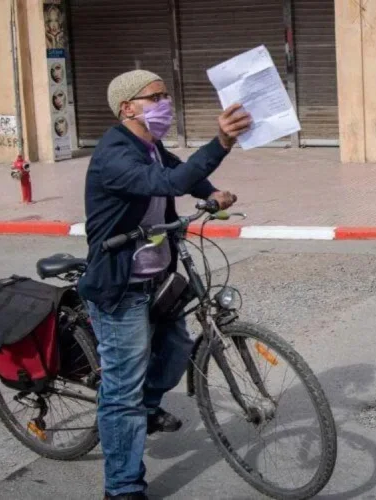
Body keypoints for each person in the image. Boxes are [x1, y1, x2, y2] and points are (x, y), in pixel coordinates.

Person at [77, 69, 251, 499]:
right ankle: (122, 486)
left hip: (156, 276)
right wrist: (222, 143)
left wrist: (213, 192)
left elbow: (183, 174)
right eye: (154, 97)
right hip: (120, 286)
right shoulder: (114, 153)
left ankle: (148, 408)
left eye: (166, 95)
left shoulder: (150, 147)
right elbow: (168, 183)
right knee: (122, 391)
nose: (165, 103)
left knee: (175, 353)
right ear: (127, 108)